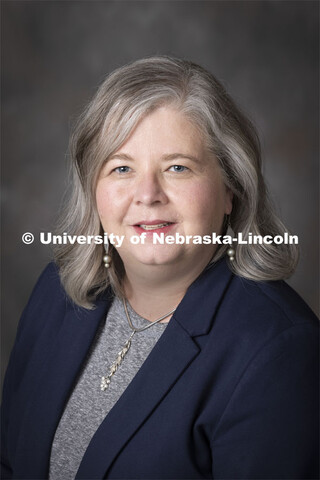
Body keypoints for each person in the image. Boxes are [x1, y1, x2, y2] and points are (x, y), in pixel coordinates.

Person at [1, 56, 318, 480]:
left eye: (177, 167)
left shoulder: (278, 351)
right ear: (93, 188)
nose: (147, 194)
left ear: (231, 190)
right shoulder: (57, 291)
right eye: (122, 168)